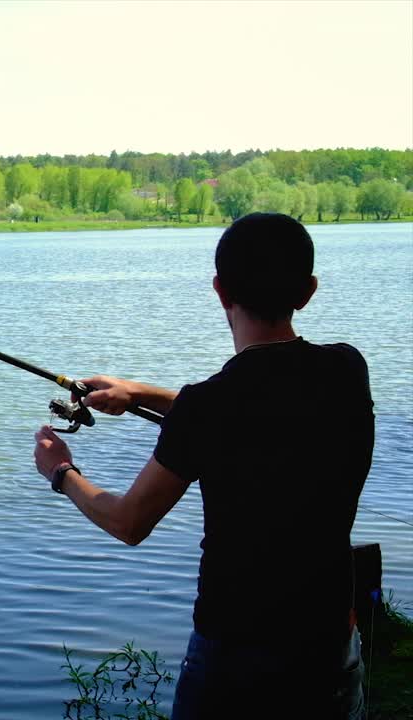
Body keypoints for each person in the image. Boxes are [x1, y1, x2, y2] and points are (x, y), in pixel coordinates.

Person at [32, 213, 373, 719]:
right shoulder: (347, 369)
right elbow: (251, 408)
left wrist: (62, 473)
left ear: (219, 290)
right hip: (327, 643)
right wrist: (139, 393)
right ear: (307, 291)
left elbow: (128, 522)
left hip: (236, 657)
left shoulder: (209, 407)